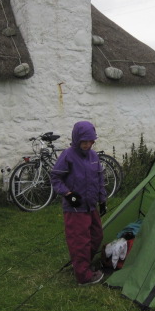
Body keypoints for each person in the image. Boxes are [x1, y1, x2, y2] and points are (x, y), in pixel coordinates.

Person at [50, 121, 108, 286]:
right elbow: (55, 178)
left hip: (91, 206)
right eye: (84, 142)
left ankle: (82, 263)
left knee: (97, 235)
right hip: (75, 208)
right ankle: (84, 276)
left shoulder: (94, 156)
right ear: (76, 139)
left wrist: (102, 199)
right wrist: (68, 194)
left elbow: (99, 179)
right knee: (80, 241)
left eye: (90, 141)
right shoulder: (68, 155)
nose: (87, 145)